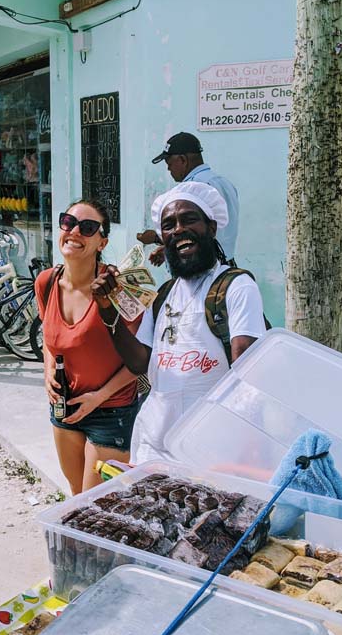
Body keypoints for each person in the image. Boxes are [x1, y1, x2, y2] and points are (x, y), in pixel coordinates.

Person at [92, 182, 267, 465]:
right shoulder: (164, 295)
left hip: (211, 452)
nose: (178, 230)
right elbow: (139, 363)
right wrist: (107, 312)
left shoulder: (236, 286)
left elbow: (247, 367)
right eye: (169, 225)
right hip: (154, 445)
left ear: (211, 227)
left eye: (189, 219)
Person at [34, 201, 139, 495]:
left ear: (102, 241)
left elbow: (141, 357)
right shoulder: (46, 282)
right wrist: (47, 373)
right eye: (68, 222)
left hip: (111, 410)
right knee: (77, 496)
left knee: (98, 504)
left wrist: (99, 397)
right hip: (64, 406)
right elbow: (49, 339)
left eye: (88, 227)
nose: (75, 231)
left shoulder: (119, 287)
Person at [151, 132, 240, 262]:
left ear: (183, 160)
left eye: (169, 164)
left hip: (203, 266)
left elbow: (194, 231)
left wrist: (155, 237)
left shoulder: (194, 190)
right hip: (225, 262)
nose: (169, 169)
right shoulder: (223, 182)